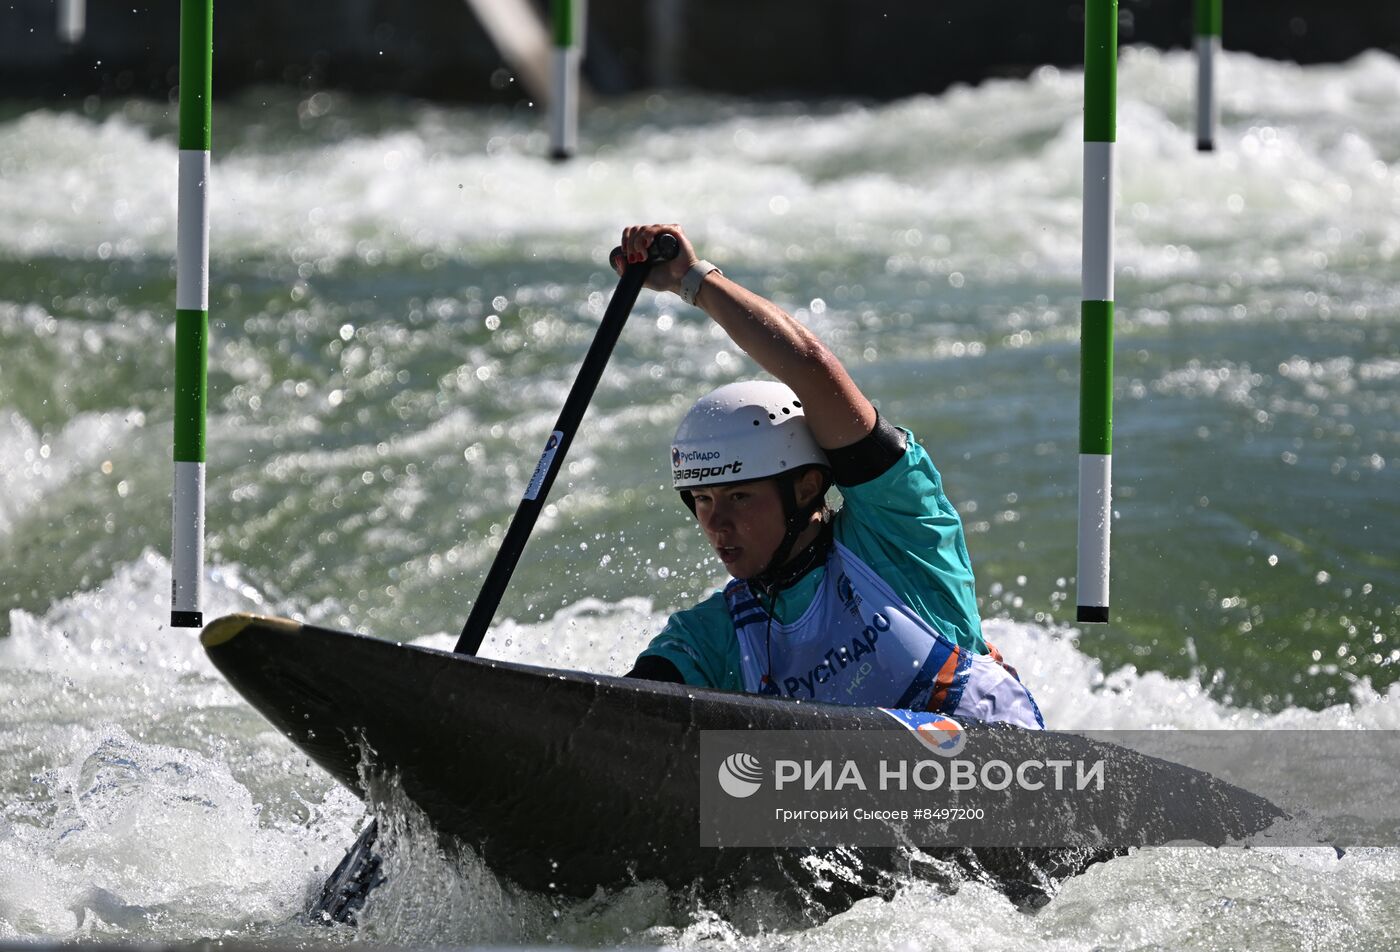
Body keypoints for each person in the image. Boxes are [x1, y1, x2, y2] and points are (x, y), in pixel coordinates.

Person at [616, 224, 1042, 729]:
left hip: (991, 777)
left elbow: (812, 369)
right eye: (703, 500)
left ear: (806, 487)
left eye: (738, 496)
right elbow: (627, 721)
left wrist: (691, 279)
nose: (717, 524)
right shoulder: (715, 634)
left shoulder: (898, 531)